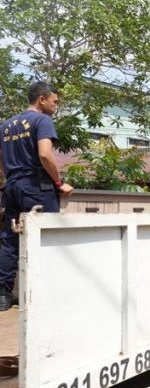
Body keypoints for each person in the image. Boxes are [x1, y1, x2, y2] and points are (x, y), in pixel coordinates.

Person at [0, 82, 74, 311]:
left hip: (11, 186)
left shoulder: (5, 124)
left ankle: (3, 295)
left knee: (9, 240)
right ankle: (42, 295)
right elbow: (44, 154)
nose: (56, 106)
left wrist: (11, 179)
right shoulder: (42, 120)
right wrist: (59, 183)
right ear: (41, 99)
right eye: (55, 101)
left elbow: (0, 162)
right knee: (44, 239)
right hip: (36, 187)